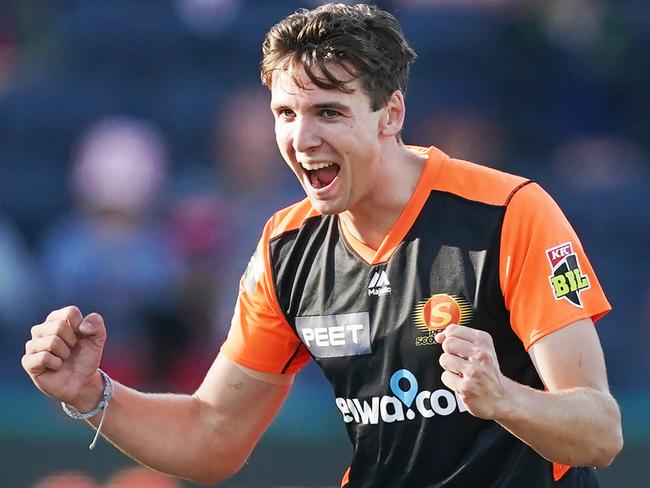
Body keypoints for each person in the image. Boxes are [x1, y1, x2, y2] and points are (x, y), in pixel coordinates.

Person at [22, 3, 622, 487]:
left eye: (329, 112)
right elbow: (213, 435)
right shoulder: (287, 247)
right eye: (286, 113)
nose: (302, 138)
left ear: (390, 115)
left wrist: (504, 399)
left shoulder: (509, 213)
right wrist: (96, 396)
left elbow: (601, 432)